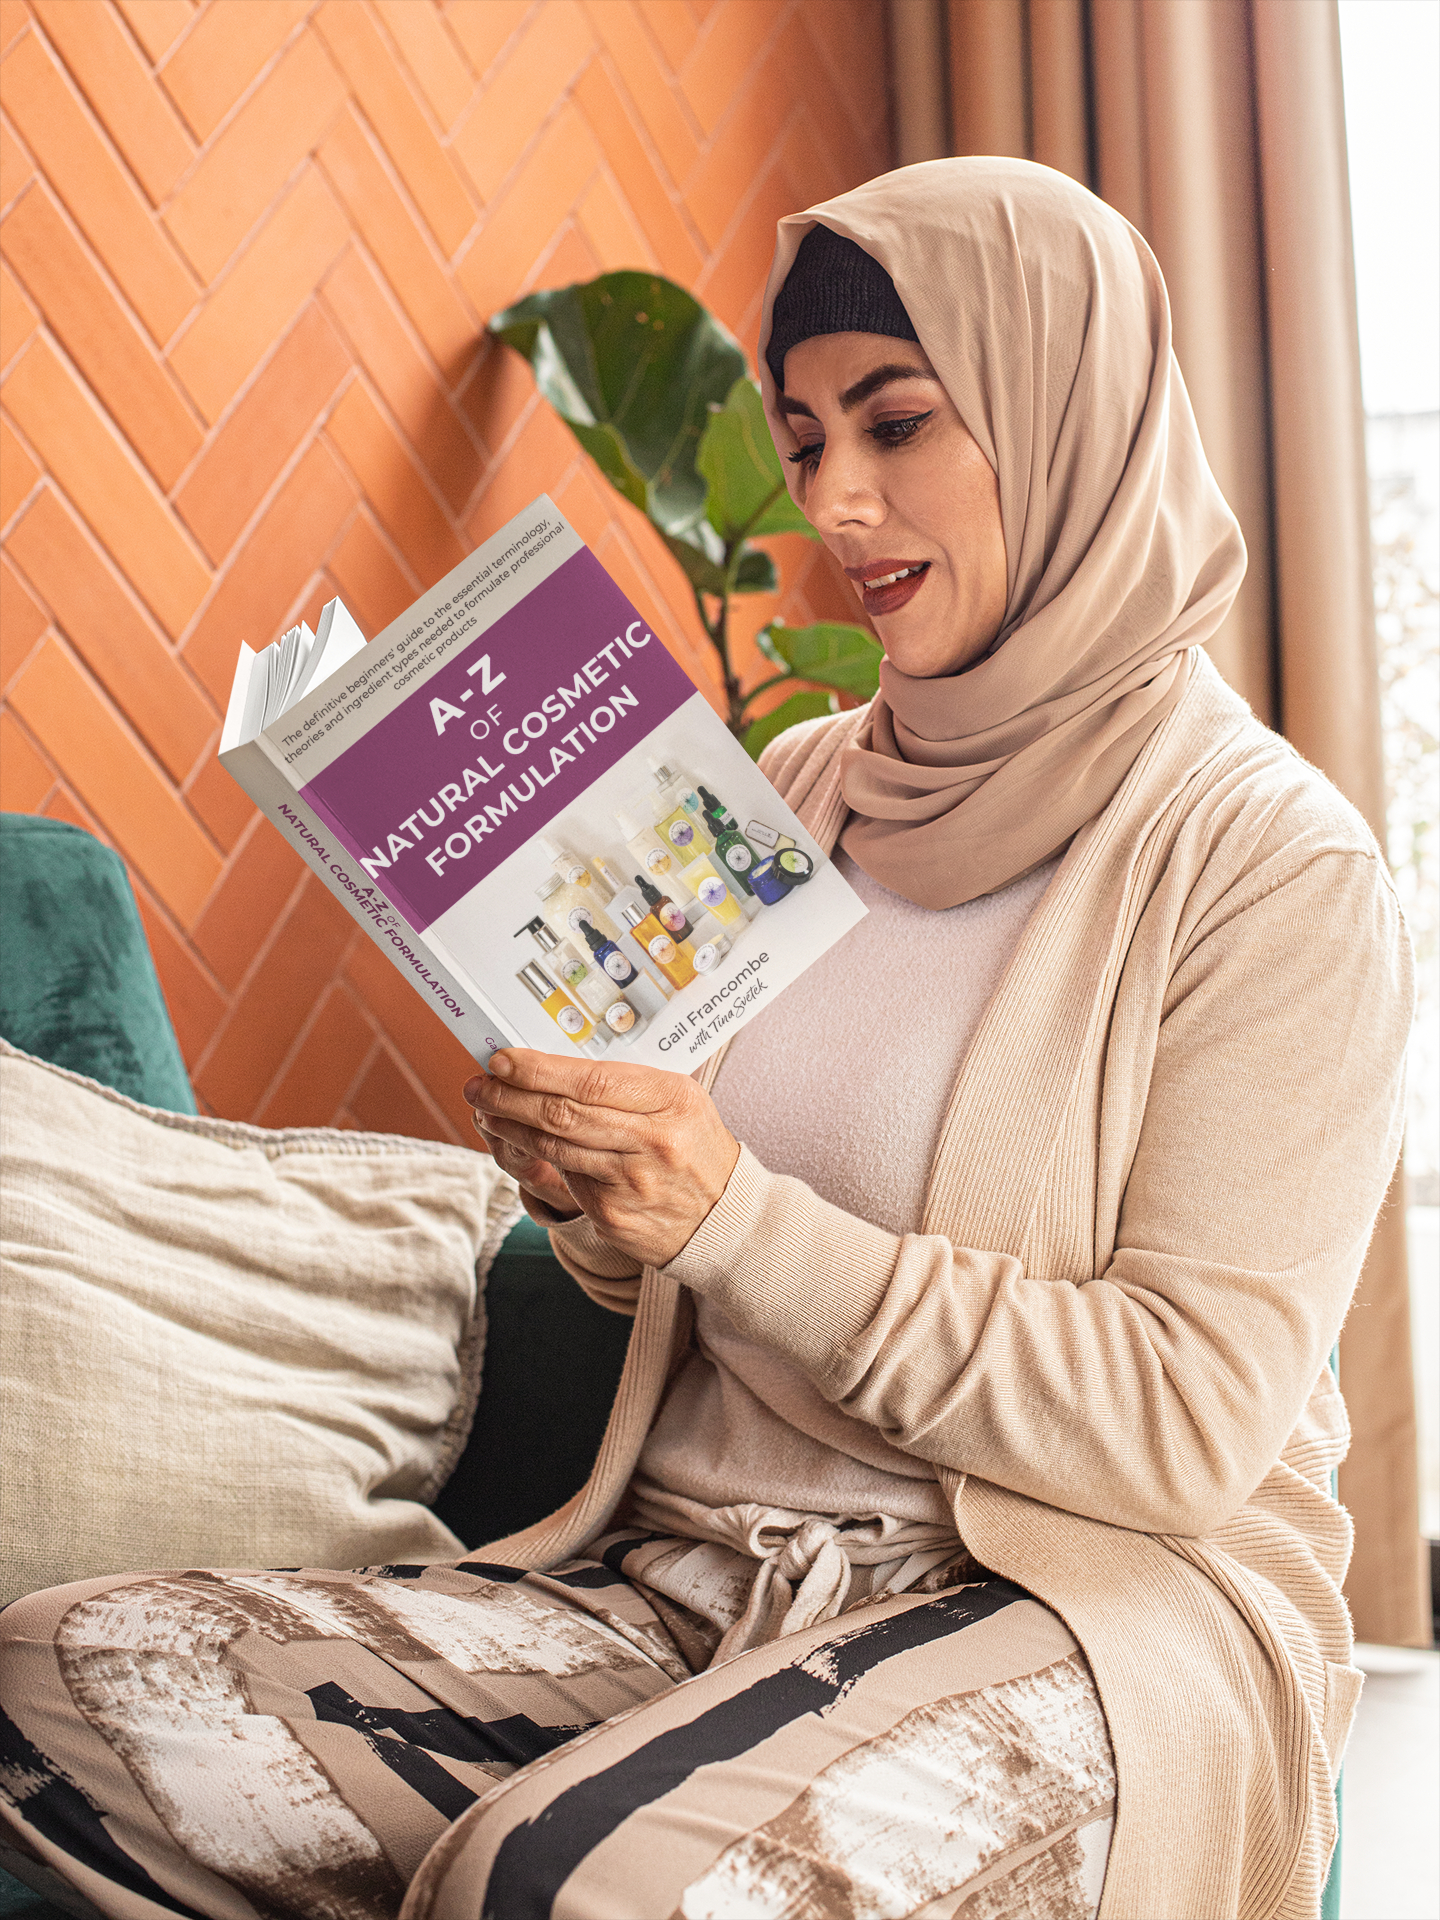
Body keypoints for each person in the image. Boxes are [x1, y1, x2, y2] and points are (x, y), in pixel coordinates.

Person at [0, 159, 1411, 1920]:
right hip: (690, 1588)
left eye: (897, 421)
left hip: (1067, 1618)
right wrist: (600, 1191)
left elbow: (1188, 1423)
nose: (840, 498)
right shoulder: (805, 787)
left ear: (1070, 413)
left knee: (560, 1886)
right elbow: (668, 1283)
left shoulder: (1266, 864)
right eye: (809, 440)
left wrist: (732, 1212)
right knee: (77, 1681)